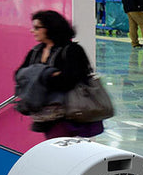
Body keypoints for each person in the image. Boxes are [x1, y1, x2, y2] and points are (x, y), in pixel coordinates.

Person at [14, 10, 104, 140]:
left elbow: (68, 81)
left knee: (59, 146)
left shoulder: (72, 50)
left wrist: (36, 76)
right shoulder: (35, 52)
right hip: (43, 113)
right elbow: (19, 75)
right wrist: (48, 74)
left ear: (51, 28)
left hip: (67, 113)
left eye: (37, 28)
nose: (32, 31)